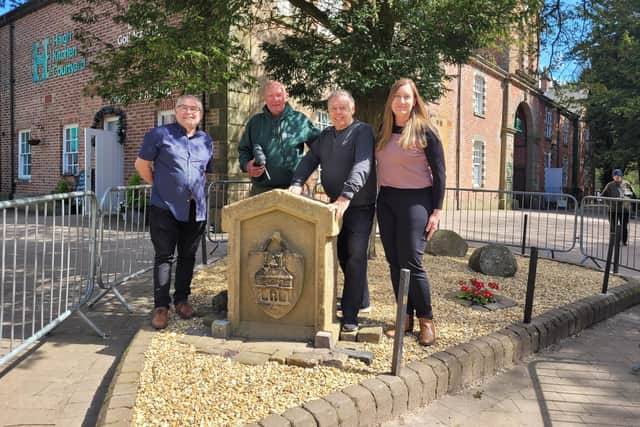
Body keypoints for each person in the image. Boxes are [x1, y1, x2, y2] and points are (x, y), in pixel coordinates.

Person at [289, 90, 376, 332]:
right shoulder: (325, 137)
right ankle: (360, 299)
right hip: (334, 206)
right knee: (342, 257)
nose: (338, 113)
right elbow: (309, 160)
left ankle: (350, 315)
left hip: (358, 206)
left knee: (356, 257)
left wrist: (346, 195)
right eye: (334, 108)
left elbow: (363, 164)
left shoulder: (362, 132)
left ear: (352, 109)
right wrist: (296, 182)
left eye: (343, 108)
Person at [375, 78, 446, 346]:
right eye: (397, 97)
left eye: (407, 97)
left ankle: (426, 321)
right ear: (390, 101)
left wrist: (436, 211)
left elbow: (439, 174)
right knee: (394, 261)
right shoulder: (383, 129)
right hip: (388, 199)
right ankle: (404, 317)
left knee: (413, 262)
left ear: (415, 100)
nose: (402, 102)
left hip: (417, 200)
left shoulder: (425, 130)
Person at [135, 94, 213, 329]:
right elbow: (141, 165)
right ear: (175, 110)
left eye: (194, 109)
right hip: (164, 207)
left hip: (195, 209)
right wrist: (159, 187)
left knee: (188, 257)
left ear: (200, 114)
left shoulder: (206, 140)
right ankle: (161, 306)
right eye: (184, 108)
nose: (189, 112)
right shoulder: (159, 135)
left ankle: (182, 300)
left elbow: (204, 171)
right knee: (164, 257)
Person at [238, 80, 319, 195]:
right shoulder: (255, 122)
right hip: (261, 191)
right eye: (270, 96)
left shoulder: (300, 121)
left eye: (279, 95)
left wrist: (308, 173)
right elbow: (244, 150)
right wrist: (247, 165)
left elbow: (320, 149)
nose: (275, 99)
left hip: (294, 190)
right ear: (265, 98)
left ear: (286, 97)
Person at [601, 168, 636, 246]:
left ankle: (623, 241)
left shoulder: (626, 184)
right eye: (615, 176)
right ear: (613, 177)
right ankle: (613, 241)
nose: (617, 177)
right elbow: (603, 195)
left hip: (624, 209)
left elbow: (632, 195)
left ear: (621, 176)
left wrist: (628, 199)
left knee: (624, 226)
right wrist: (609, 204)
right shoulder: (610, 185)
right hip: (613, 209)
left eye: (619, 176)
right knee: (613, 226)